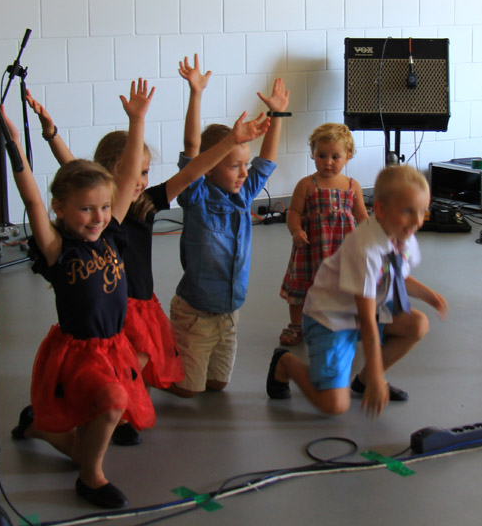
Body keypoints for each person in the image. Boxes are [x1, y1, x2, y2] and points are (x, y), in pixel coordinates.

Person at [24, 73, 271, 445]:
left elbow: (192, 170)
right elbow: (72, 168)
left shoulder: (149, 202)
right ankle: (111, 413)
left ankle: (121, 408)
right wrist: (52, 134)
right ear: (112, 174)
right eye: (134, 172)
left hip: (142, 302)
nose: (140, 180)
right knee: (117, 362)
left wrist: (232, 142)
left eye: (144, 172)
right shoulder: (106, 215)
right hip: (116, 304)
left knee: (139, 361)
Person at [2, 79, 154, 510]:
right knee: (113, 402)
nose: (98, 217)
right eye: (86, 209)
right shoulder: (58, 249)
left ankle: (37, 428)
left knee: (82, 442)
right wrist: (13, 143)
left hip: (113, 347)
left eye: (103, 207)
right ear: (61, 209)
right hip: (78, 352)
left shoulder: (112, 234)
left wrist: (137, 121)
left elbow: (127, 176)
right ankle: (91, 478)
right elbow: (32, 199)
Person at [266, 165, 448, 416]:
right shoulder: (365, 248)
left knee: (418, 324)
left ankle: (362, 380)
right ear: (380, 209)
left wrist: (430, 296)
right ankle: (285, 362)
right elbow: (367, 318)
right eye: (408, 211)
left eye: (422, 211)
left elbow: (396, 275)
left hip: (366, 310)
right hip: (331, 319)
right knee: (334, 405)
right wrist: (377, 377)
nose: (417, 221)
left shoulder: (402, 235)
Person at [168, 62, 290, 397]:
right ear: (208, 168)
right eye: (234, 165)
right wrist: (196, 94)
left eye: (243, 164)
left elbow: (265, 162)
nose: (243, 173)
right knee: (189, 391)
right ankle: (155, 367)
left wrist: (277, 114)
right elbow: (191, 151)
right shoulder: (197, 196)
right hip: (195, 313)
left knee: (217, 385)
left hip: (229, 312)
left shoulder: (242, 196)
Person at [279, 123, 369, 346]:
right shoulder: (306, 185)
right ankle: (296, 325)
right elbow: (294, 212)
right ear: (313, 153)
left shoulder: (353, 186)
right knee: (302, 288)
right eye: (321, 155)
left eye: (335, 157)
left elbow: (361, 215)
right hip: (311, 250)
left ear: (348, 156)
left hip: (343, 251)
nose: (328, 162)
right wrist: (296, 230)